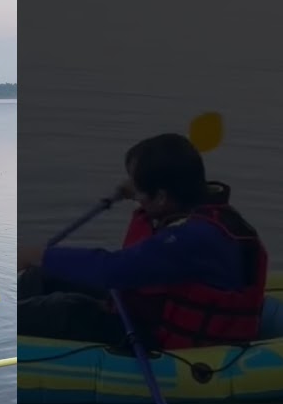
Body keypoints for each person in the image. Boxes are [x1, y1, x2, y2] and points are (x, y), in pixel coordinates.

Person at [18, 133, 268, 350]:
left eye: (138, 190)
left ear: (161, 196)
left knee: (66, 310)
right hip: (155, 307)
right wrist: (138, 188)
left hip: (166, 339)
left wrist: (36, 254)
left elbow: (113, 269)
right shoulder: (195, 206)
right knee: (40, 277)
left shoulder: (192, 238)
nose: (136, 197)